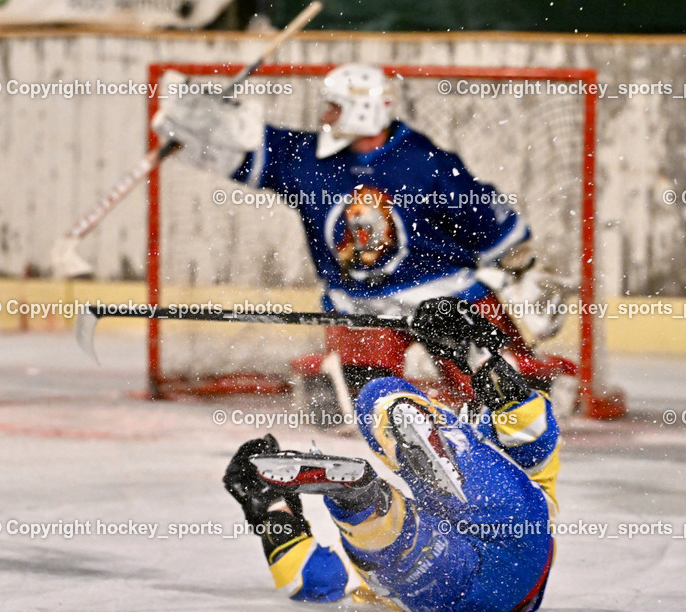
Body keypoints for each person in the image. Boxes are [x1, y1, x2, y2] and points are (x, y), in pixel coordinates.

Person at [152, 63, 576, 409]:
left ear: (361, 110)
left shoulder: (425, 163)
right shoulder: (307, 159)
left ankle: (525, 399)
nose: (325, 117)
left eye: (334, 107)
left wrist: (521, 271)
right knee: (377, 410)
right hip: (358, 304)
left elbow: (496, 232)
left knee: (503, 399)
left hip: (445, 294)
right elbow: (241, 150)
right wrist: (196, 126)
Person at [222, 297, 561, 612]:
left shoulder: (376, 579)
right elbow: (536, 441)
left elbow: (314, 582)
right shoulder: (495, 455)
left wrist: (269, 509)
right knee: (379, 397)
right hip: (519, 559)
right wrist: (478, 352)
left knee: (387, 546)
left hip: (451, 590)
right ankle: (389, 446)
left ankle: (363, 501)